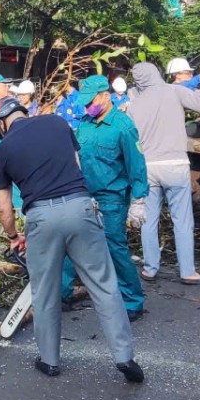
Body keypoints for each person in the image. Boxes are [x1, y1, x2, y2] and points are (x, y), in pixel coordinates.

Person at [0, 97, 142, 382]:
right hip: (80, 205)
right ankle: (124, 356)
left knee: (45, 292)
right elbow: (76, 165)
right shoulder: (57, 123)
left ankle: (49, 360)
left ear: (1, 124)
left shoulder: (1, 152)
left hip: (41, 217)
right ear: (23, 111)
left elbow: (4, 209)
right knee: (104, 284)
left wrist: (14, 237)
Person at [128, 62, 200, 285]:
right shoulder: (175, 91)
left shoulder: (134, 104)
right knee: (182, 219)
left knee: (148, 220)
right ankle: (188, 272)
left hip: (148, 168)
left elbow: (131, 139)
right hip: (174, 165)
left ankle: (150, 269)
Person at [76, 75, 150, 321]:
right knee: (73, 245)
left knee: (115, 249)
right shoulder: (84, 124)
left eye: (91, 101)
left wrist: (138, 201)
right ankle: (64, 292)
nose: (87, 107)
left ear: (106, 97)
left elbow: (136, 165)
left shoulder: (123, 126)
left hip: (112, 200)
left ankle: (132, 301)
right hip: (85, 197)